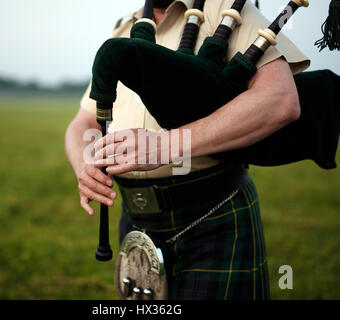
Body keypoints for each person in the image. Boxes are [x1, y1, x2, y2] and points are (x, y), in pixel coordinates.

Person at [65, 0, 310, 300]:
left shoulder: (224, 10)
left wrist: (168, 145)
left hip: (213, 215)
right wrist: (84, 163)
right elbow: (84, 122)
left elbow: (280, 100)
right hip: (136, 222)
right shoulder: (124, 31)